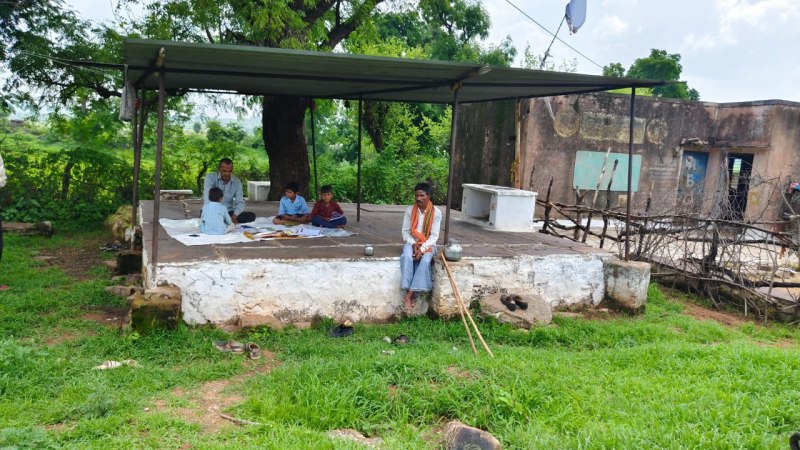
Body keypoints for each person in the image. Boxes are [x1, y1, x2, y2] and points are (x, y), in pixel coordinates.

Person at [400, 182, 442, 311]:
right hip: (412, 242)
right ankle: (408, 290)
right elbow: (405, 232)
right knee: (407, 257)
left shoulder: (436, 213)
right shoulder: (409, 210)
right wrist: (414, 245)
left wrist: (422, 249)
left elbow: (434, 236)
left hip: (428, 244)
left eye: (422, 195)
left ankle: (409, 295)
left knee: (425, 261)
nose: (418, 198)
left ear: (428, 196)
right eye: (416, 196)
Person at [203, 158, 255, 224]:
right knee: (207, 216)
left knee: (251, 215)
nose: (227, 173)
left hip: (229, 212)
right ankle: (223, 220)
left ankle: (223, 220)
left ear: (232, 170)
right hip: (213, 211)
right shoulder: (210, 178)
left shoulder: (237, 182)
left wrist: (234, 216)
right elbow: (207, 199)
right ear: (219, 169)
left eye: (229, 171)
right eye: (224, 171)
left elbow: (240, 202)